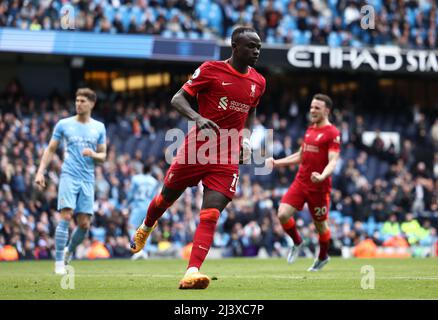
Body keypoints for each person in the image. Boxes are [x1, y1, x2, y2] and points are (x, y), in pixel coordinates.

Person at [130, 26, 266, 289]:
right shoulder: (211, 70)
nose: (256, 51)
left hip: (227, 155)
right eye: (251, 46)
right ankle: (147, 226)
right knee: (165, 199)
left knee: (211, 214)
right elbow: (178, 99)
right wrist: (197, 118)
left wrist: (246, 140)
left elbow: (251, 112)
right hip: (197, 149)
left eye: (259, 47)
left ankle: (192, 271)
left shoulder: (258, 81)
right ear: (235, 47)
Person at [34, 88, 107, 275]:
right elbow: (50, 149)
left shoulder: (99, 127)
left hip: (87, 178)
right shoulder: (63, 124)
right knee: (66, 216)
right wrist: (40, 172)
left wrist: (94, 154)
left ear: (92, 103)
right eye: (77, 100)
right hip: (69, 175)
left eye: (83, 101)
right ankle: (58, 261)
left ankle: (69, 250)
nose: (79, 104)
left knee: (84, 224)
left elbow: (103, 156)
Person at [266, 94, 340, 271]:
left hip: (319, 188)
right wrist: (277, 163)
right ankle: (297, 242)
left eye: (317, 108)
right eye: (312, 107)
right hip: (301, 182)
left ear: (326, 111)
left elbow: (333, 161)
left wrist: (322, 176)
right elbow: (300, 156)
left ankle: (322, 257)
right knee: (283, 213)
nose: (313, 110)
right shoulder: (310, 130)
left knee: (321, 226)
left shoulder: (333, 133)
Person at [127, 164, 160, 259]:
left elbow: (131, 193)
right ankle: (145, 251)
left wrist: (126, 204)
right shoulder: (154, 181)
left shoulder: (136, 178)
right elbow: (154, 196)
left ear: (142, 169)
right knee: (147, 228)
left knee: (131, 226)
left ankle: (136, 249)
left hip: (138, 205)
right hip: (149, 207)